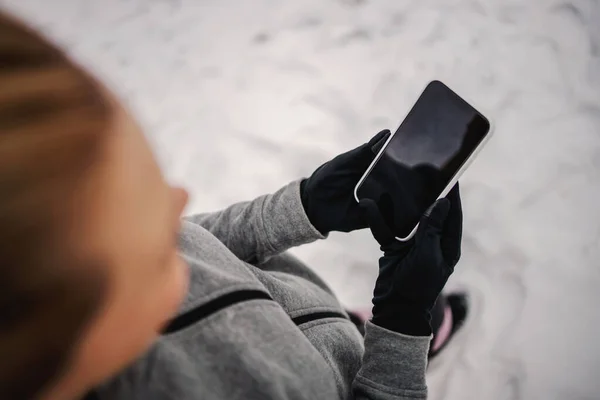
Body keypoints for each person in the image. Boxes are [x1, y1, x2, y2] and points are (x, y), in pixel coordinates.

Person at [0, 11, 466, 400]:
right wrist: (401, 332)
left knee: (344, 332)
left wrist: (303, 208)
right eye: (155, 245)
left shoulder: (85, 254)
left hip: (300, 318)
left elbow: (199, 244)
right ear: (62, 344)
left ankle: (352, 333)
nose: (178, 205)